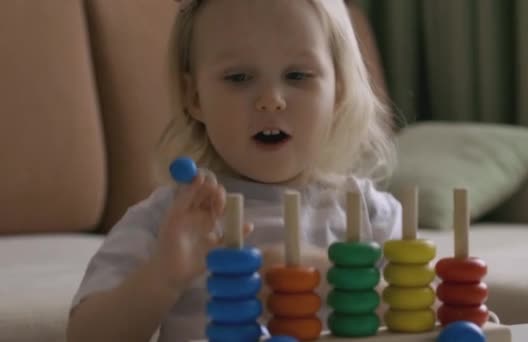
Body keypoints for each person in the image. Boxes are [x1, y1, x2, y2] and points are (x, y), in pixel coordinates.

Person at [67, 0, 401, 341]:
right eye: (239, 77)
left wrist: (333, 279)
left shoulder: (367, 213)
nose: (271, 99)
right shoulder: (168, 221)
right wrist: (164, 275)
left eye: (297, 75)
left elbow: (432, 309)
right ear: (194, 96)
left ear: (339, 91)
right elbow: (85, 335)